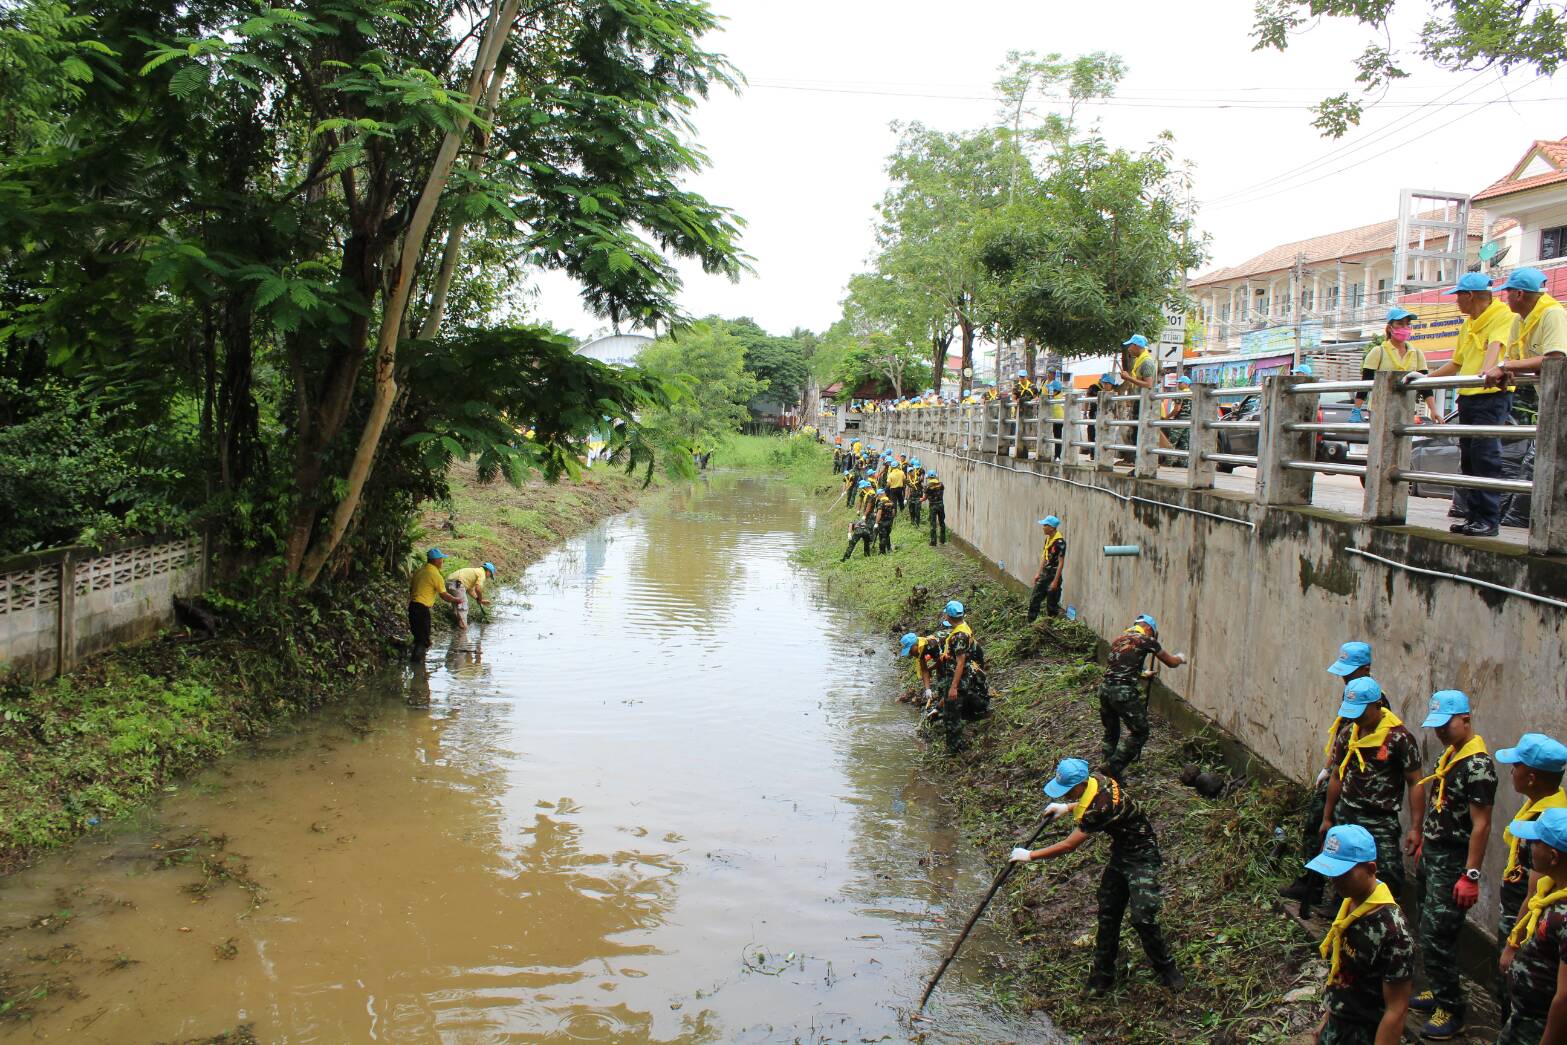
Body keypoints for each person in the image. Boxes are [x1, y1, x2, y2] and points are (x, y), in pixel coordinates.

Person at [1009, 758, 1183, 993]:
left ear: (1080, 785)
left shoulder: (1099, 810)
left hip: (1143, 855)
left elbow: (1069, 845)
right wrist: (1067, 808)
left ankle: (1166, 969)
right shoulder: (1099, 779)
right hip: (1121, 852)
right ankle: (1103, 974)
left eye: (1069, 793)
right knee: (1108, 912)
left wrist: (1030, 855)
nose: (1066, 796)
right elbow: (1088, 800)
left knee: (1143, 917)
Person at [1408, 690, 1496, 1040]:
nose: (1440, 732)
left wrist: (1470, 875)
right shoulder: (1452, 755)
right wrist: (1425, 839)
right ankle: (1438, 989)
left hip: (1454, 862)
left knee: (1436, 934)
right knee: (1427, 926)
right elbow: (1442, 804)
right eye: (1437, 726)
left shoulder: (1477, 767)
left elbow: (1481, 824)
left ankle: (1452, 1007)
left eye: (1446, 725)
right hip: (1434, 855)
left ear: (1465, 720)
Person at [1283, 641, 1376, 916]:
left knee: (1338, 837)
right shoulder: (1350, 692)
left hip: (1353, 781)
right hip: (1338, 772)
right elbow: (1341, 737)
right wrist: (1327, 768)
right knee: (1316, 823)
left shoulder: (1372, 698)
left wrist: (1340, 771)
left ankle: (1337, 899)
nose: (1346, 677)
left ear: (1366, 669)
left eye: (1351, 671)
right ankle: (1311, 883)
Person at [1305, 824, 1414, 1045]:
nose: (1335, 881)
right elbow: (1344, 976)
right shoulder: (1350, 903)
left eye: (1344, 874)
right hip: (1338, 1026)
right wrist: (1327, 1019)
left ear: (1371, 868)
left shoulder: (1392, 931)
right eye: (1332, 872)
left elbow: (1396, 1011)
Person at [1427, 271, 1515, 536]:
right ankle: (1473, 516)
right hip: (1468, 397)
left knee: (1486, 457)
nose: (1456, 302)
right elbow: (1457, 362)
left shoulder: (1502, 316)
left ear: (1471, 295)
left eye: (1458, 296)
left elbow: (1495, 348)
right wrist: (1424, 378)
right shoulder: (1468, 324)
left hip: (1491, 395)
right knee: (1469, 458)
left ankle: (1489, 520)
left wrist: (1486, 374)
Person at [1320, 677, 1425, 899]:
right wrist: (1327, 816)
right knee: (1344, 870)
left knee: (1388, 875)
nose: (1357, 717)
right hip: (1347, 812)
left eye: (1362, 711)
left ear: (1377, 705)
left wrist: (1416, 827)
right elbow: (1338, 775)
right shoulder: (1349, 733)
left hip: (1380, 820)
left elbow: (1415, 782)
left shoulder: (1399, 739)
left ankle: (1385, 919)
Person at [1496, 733, 1567, 1024]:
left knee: (1520, 1000)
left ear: (1532, 777)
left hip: (1528, 925)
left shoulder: (1548, 822)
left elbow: (1535, 892)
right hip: (1517, 915)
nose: (1512, 770)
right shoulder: (1537, 806)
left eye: (1517, 765)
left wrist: (1513, 944)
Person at [1497, 806, 1567, 1045]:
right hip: (1523, 1018)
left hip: (1541, 1027)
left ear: (1554, 856)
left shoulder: (1565, 915)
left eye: (1536, 843)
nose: (1529, 847)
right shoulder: (1550, 889)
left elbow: (1564, 997)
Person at [1098, 614, 1186, 781]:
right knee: (1140, 732)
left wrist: (1143, 674)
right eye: (1152, 632)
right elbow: (1171, 662)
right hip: (1122, 692)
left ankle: (1105, 771)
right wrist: (1180, 658)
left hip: (1104, 689)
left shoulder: (1120, 638)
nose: (1152, 636)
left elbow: (1123, 666)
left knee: (1111, 731)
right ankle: (1112, 767)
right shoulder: (1146, 640)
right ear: (1148, 628)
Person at [1485, 266, 1567, 386]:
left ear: (1519, 294)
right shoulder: (1518, 319)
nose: (1506, 298)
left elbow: (1555, 360)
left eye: (1508, 291)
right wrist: (1508, 370)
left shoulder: (1553, 314)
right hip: (1549, 396)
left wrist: (1504, 367)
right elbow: (1512, 360)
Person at [1353, 307, 1433, 422]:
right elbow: (1365, 384)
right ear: (1390, 327)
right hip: (1380, 409)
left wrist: (1433, 410)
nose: (1405, 328)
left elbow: (1426, 386)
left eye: (1407, 324)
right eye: (1400, 324)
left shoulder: (1417, 354)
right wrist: (1356, 410)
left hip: (1406, 409)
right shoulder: (1378, 352)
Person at [934, 600, 987, 754]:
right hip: (959, 678)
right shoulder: (963, 628)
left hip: (958, 680)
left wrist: (953, 687)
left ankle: (953, 750)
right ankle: (954, 746)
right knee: (952, 714)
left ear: (948, 616)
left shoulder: (959, 636)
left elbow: (961, 662)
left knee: (952, 718)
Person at [408, 547, 462, 656]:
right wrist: (456, 599)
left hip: (412, 607)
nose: (442, 562)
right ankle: (418, 669)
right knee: (422, 641)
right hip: (422, 609)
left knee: (419, 638)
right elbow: (444, 595)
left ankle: (420, 667)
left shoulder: (419, 571)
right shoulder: (435, 575)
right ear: (436, 560)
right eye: (442, 559)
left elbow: (411, 588)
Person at [1027, 515, 1066, 622]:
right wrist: (1038, 573)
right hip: (1045, 574)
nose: (1043, 527)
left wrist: (1055, 581)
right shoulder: (1048, 539)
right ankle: (1031, 623)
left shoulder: (1060, 543)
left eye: (1045, 525)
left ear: (1052, 528)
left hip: (1053, 575)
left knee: (1051, 604)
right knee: (1035, 598)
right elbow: (1045, 557)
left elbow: (1061, 563)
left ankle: (1049, 626)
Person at [445, 561, 497, 630]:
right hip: (457, 583)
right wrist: (480, 599)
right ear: (488, 571)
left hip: (450, 582)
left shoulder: (475, 572)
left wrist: (479, 600)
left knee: (457, 604)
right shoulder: (482, 574)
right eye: (490, 575)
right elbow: (478, 589)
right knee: (463, 605)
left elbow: (470, 590)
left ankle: (458, 626)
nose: (488, 577)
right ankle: (464, 629)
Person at [923, 469, 947, 546]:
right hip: (941, 505)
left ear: (929, 478)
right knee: (942, 522)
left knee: (933, 523)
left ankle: (933, 541)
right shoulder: (941, 485)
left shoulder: (927, 487)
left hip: (933, 506)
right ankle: (942, 540)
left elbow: (925, 497)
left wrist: (921, 500)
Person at [1047, 379, 1067, 460]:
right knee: (1056, 437)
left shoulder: (1058, 398)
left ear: (1056, 390)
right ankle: (1057, 455)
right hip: (1055, 419)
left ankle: (1058, 455)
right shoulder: (1056, 396)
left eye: (1051, 389)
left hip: (1058, 419)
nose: (1049, 390)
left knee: (1057, 437)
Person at [873, 486, 896, 555]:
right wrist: (891, 519)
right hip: (889, 522)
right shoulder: (891, 502)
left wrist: (876, 523)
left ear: (880, 494)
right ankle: (888, 548)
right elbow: (893, 512)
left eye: (878, 496)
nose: (878, 497)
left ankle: (882, 552)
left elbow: (879, 514)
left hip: (882, 522)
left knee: (882, 537)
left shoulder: (881, 503)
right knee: (887, 536)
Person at [906, 458, 924, 526]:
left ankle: (917, 524)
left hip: (918, 496)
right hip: (911, 497)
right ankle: (912, 521)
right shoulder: (908, 480)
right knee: (911, 509)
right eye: (909, 472)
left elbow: (922, 479)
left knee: (917, 510)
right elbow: (907, 489)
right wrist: (906, 498)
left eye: (911, 471)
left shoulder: (918, 479)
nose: (911, 473)